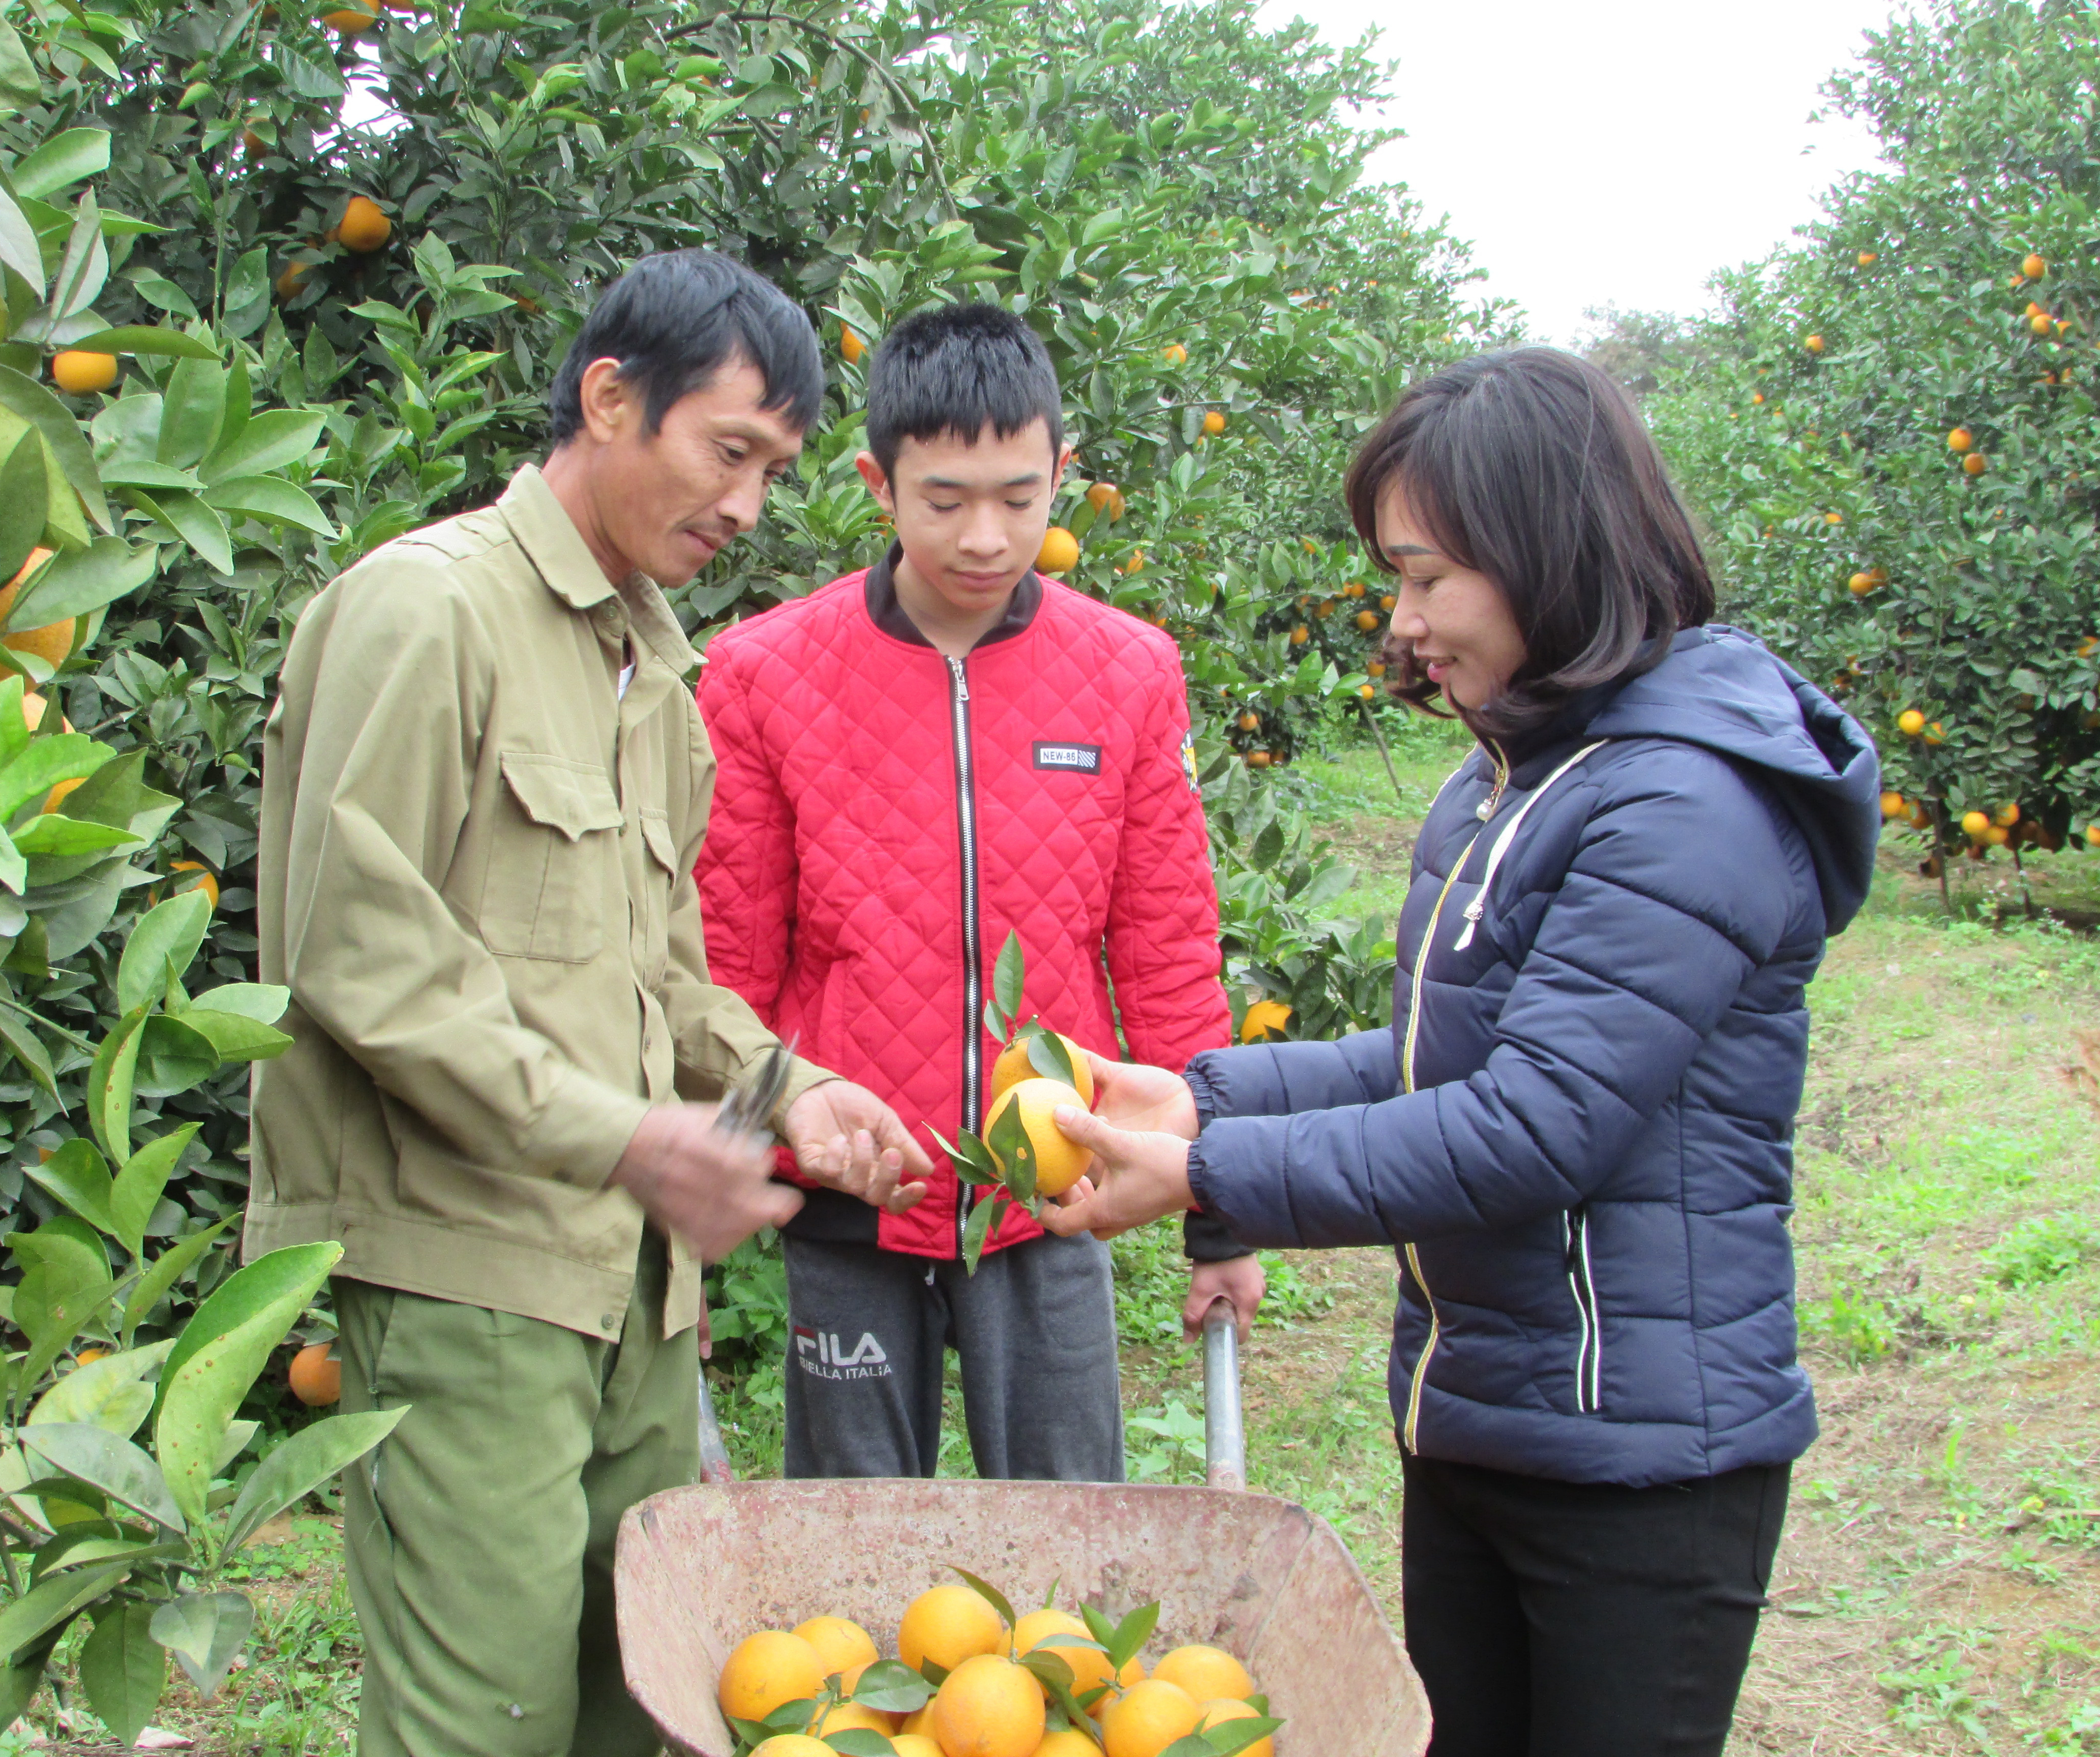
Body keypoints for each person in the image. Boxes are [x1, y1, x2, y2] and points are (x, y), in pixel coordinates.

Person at [1040, 348, 1881, 1755]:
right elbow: (1447, 1060)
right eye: (1397, 576)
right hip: (1484, 1414)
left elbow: (1534, 1125)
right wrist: (1203, 1092)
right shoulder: (1511, 780)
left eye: (1428, 576)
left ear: (1546, 551)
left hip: (1637, 1463)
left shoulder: (1685, 801)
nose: (1404, 618)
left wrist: (1207, 1174)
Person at [245, 249, 934, 1757]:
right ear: (612, 399)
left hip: (634, 1290)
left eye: (776, 470)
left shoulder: (648, 673)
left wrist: (784, 1089)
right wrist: (628, 1140)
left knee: (643, 1701)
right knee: (480, 1717)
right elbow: (361, 956)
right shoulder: (427, 614)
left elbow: (659, 972)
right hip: (471, 1271)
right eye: (728, 451)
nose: (749, 505)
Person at [694, 302, 1263, 1485]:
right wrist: (695, 1217)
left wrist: (1222, 1214)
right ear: (876, 483)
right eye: (945, 500)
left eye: (1019, 495)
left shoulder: (1129, 673)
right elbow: (723, 967)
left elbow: (1164, 950)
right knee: (848, 1562)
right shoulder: (762, 678)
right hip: (852, 1196)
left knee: (1069, 1542)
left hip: (1051, 1198)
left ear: (1064, 471)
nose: (987, 537)